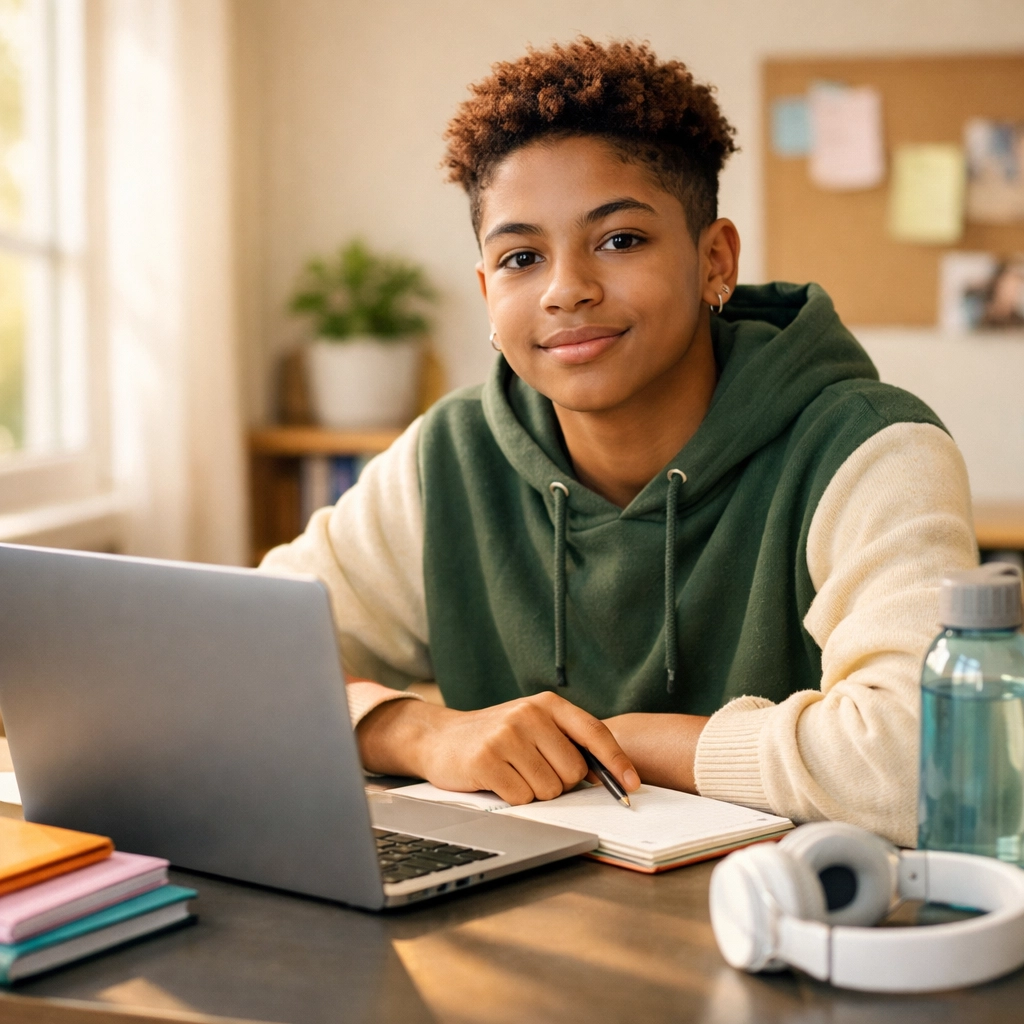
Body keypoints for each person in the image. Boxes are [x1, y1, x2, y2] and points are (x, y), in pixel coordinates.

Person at [261, 38, 976, 847]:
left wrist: (622, 741)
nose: (567, 288)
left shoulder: (872, 450)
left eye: (620, 240)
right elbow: (245, 652)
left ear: (715, 260)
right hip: (520, 932)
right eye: (522, 257)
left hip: (796, 935)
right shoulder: (451, 453)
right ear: (488, 291)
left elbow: (930, 760)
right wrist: (418, 733)